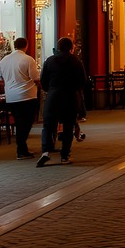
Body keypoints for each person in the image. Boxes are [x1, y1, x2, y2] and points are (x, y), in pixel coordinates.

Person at [36, 37, 86, 168]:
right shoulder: (76, 61)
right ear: (71, 48)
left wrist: (50, 89)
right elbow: (82, 81)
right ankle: (65, 156)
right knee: (68, 126)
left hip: (53, 96)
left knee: (48, 125)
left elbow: (43, 80)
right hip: (70, 97)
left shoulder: (49, 60)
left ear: (58, 47)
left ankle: (46, 151)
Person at [0, 37, 40, 160]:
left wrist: (9, 83)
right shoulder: (28, 59)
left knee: (19, 122)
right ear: (26, 45)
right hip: (27, 96)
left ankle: (22, 148)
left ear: (14, 45)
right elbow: (36, 78)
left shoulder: (4, 60)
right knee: (26, 123)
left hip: (11, 98)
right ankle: (21, 149)